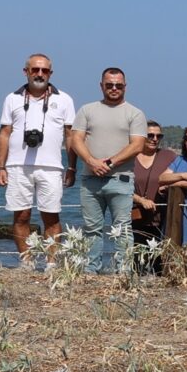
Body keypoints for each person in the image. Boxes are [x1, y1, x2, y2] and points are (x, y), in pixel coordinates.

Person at [0, 53, 76, 258]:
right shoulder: (12, 98)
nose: (40, 74)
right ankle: (26, 262)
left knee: (51, 217)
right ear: (26, 72)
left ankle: (51, 263)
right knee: (21, 216)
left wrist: (72, 167)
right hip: (17, 166)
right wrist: (0, 167)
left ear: (51, 73)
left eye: (45, 70)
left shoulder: (64, 99)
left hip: (51, 167)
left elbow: (70, 136)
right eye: (35, 69)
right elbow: (4, 133)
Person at [71, 67, 149, 274]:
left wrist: (109, 163)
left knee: (122, 229)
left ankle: (123, 272)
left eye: (118, 85)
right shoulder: (87, 110)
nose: (114, 88)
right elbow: (75, 139)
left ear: (125, 86)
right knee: (91, 229)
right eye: (109, 85)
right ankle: (90, 270)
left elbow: (137, 145)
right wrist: (91, 161)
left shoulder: (135, 113)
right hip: (90, 179)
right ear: (101, 85)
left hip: (120, 180)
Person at [128, 121, 177, 246]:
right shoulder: (129, 157)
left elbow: (179, 178)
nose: (155, 139)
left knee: (160, 262)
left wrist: (169, 186)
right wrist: (140, 200)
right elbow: (119, 186)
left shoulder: (169, 156)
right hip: (134, 219)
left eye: (158, 136)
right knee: (137, 261)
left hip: (163, 219)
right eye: (150, 135)